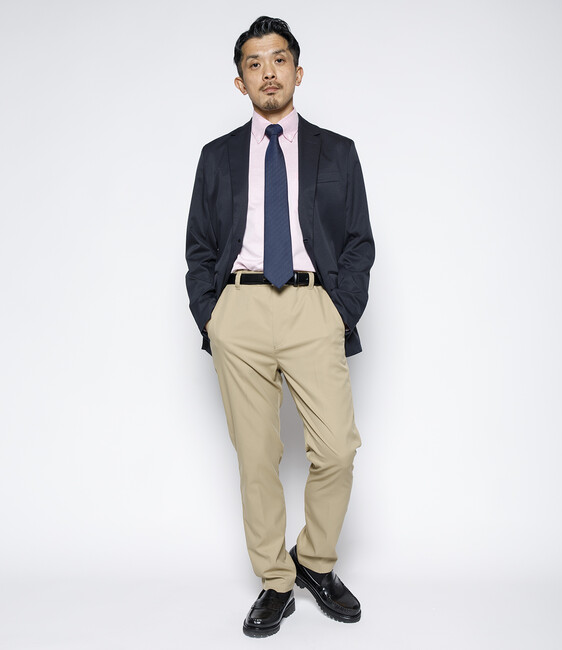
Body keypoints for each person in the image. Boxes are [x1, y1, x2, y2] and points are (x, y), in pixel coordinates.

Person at [185, 16, 375, 638]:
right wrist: (213, 316)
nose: (268, 72)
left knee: (337, 448)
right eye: (254, 63)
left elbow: (358, 241)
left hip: (312, 305)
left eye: (278, 60)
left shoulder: (337, 151)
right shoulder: (216, 157)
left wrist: (339, 310)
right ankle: (275, 580)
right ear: (240, 81)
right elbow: (199, 247)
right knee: (257, 455)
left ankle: (314, 562)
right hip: (238, 309)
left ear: (297, 70)